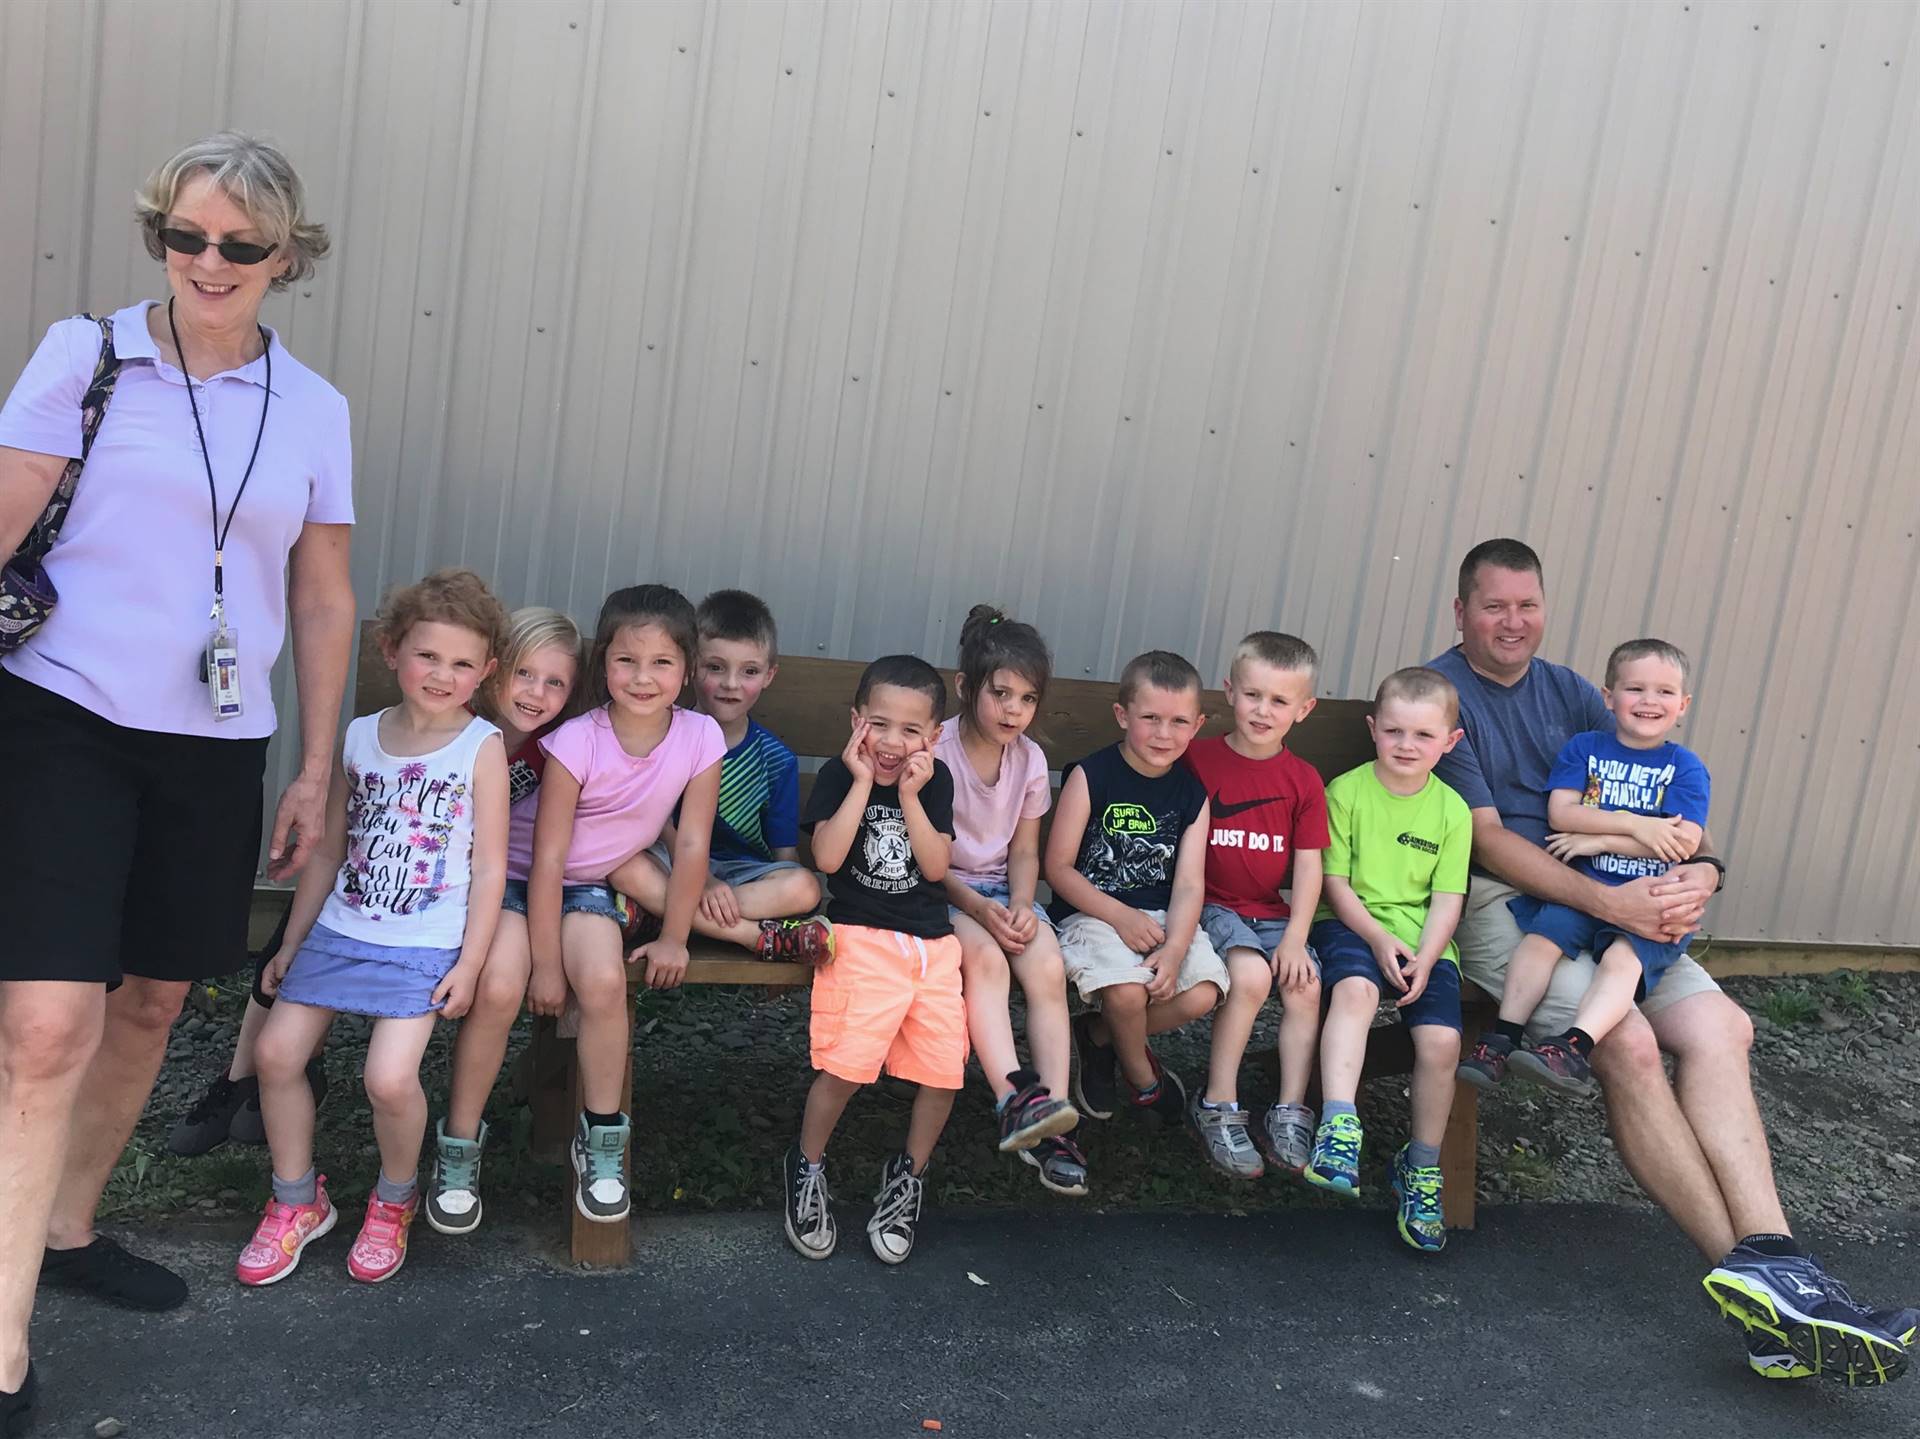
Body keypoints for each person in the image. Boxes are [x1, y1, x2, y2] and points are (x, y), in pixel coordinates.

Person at [0, 132, 354, 1431]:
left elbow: (321, 599)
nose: (208, 262)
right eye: (185, 236)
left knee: (151, 1001)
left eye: (239, 245)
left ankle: (68, 1226)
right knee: (45, 1025)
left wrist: (315, 760)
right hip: (62, 718)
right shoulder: (81, 357)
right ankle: (3, 1341)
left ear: (284, 259)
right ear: (164, 236)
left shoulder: (314, 410)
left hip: (215, 741)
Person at [1430, 537, 1911, 1384]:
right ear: (1460, 610)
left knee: (1725, 1025)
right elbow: (1491, 841)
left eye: (1527, 603)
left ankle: (1781, 1266)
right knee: (1629, 1042)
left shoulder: (1577, 690)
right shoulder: (1447, 695)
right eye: (1494, 604)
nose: (1514, 621)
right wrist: (1608, 901)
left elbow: (1662, 795)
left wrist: (1704, 868)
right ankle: (1756, 1282)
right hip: (1510, 906)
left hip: (1625, 896)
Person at [234, 571, 509, 1286]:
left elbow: (487, 869)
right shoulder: (359, 737)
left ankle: (394, 1199)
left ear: (485, 671)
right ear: (392, 651)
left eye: (460, 663)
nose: (442, 675)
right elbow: (327, 848)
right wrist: (291, 942)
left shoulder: (482, 746)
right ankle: (298, 1200)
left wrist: (472, 962)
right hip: (343, 927)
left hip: (426, 942)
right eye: (427, 656)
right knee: (276, 1053)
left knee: (389, 1077)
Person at [520, 585, 725, 1226]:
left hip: (597, 884)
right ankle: (528, 1114)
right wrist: (547, 965)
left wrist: (675, 940)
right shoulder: (577, 740)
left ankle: (602, 1135)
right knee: (589, 977)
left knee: (606, 983)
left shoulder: (700, 735)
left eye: (662, 663)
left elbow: (692, 841)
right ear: (601, 663)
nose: (643, 678)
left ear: (688, 670)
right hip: (538, 884)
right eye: (626, 661)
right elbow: (549, 858)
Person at [1459, 639, 1708, 1099]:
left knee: (1620, 961)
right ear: (1608, 697)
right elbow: (1561, 813)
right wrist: (1636, 825)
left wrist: (1598, 839)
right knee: (1538, 943)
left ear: (1683, 705)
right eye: (1635, 689)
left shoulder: (1684, 767)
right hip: (1587, 885)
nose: (1649, 701)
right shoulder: (1585, 749)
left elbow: (1683, 840)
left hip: (1648, 897)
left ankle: (1574, 1045)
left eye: (1664, 692)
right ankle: (1503, 1037)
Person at [782, 656, 964, 1265]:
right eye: (879, 725)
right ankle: (806, 1166)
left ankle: (908, 1176)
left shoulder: (935, 782)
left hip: (932, 946)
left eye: (911, 731)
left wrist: (910, 794)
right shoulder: (839, 774)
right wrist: (862, 781)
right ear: (856, 721)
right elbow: (829, 859)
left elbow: (936, 867)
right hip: (859, 938)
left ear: (934, 737)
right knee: (848, 1067)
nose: (892, 743)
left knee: (943, 1074)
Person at [426, 606, 585, 1234]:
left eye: (556, 683)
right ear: (495, 671)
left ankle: (458, 1147)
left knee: (499, 985)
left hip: (516, 886)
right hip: (438, 882)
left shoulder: (559, 750)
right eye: (524, 674)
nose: (537, 694)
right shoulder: (455, 727)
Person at [1303, 668, 1469, 1254]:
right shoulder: (1345, 793)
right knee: (1356, 993)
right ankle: (1339, 1123)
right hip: (1351, 924)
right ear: (1373, 729)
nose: (1406, 746)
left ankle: (1420, 1166)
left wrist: (1427, 956)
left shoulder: (1453, 811)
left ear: (1450, 742)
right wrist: (1375, 937)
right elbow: (1334, 882)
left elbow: (1449, 899)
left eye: (1424, 736)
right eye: (1394, 731)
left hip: (1424, 943)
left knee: (1442, 1043)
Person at [1047, 651, 1228, 1138]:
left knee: (1203, 993)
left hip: (1162, 918)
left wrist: (1174, 948)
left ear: (1197, 725)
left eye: (1178, 722)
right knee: (1127, 992)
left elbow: (1190, 883)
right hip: (1092, 913)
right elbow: (1058, 868)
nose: (1163, 734)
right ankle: (1145, 1080)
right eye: (1150, 718)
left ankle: (1099, 1034)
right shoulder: (1091, 775)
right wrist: (1120, 916)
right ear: (1122, 715)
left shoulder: (1192, 795)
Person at [935, 605, 1081, 1195]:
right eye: (1000, 694)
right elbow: (929, 859)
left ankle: (1058, 1119)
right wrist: (978, 908)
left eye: (1026, 699)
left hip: (1001, 892)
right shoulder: (938, 749)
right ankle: (1013, 1098)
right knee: (988, 962)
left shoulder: (1031, 760)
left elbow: (1025, 851)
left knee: (1047, 965)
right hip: (942, 893)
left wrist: (1023, 902)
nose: (1013, 711)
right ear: (967, 687)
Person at [613, 588, 832, 962]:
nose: (731, 684)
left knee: (805, 887)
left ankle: (661, 915)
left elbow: (784, 852)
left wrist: (790, 901)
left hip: (739, 876)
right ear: (693, 665)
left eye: (749, 671)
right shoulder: (664, 734)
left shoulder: (776, 760)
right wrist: (703, 883)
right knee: (623, 866)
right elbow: (654, 821)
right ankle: (751, 935)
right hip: (669, 860)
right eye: (716, 667)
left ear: (769, 675)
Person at [1183, 631, 1326, 1179]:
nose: (1263, 711)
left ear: (1304, 709)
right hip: (1210, 905)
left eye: (1280, 701)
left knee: (1305, 981)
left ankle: (1291, 1108)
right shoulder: (1198, 760)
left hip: (1268, 911)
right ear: (1229, 692)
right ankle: (1217, 1103)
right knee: (1249, 977)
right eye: (1253, 695)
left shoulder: (1303, 780)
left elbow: (1309, 867)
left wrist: (1295, 936)